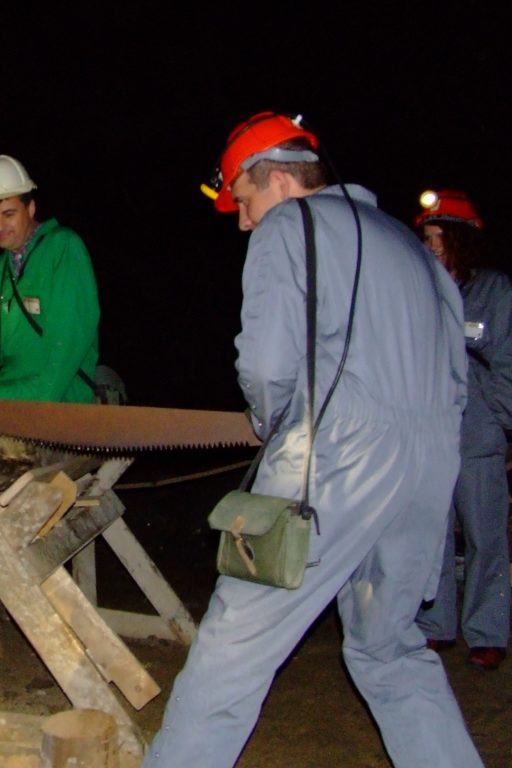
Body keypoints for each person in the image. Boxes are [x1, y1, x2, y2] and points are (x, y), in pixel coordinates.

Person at [143, 113, 483, 767]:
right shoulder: (414, 249)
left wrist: (274, 428)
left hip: (334, 459)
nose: (243, 222)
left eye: (242, 203)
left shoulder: (288, 228)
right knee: (388, 647)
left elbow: (268, 366)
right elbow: (454, 378)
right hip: (430, 464)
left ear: (273, 179)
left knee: (234, 646)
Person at [414, 189, 510, 671]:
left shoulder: (495, 291)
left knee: (485, 536)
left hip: (479, 439)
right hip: (432, 438)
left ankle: (487, 633)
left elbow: (508, 362)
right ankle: (434, 627)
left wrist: (504, 423)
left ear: (459, 239)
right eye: (425, 237)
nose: (430, 245)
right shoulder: (419, 291)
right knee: (433, 536)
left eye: (437, 237)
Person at [0, 154, 100, 403]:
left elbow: (66, 346)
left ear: (30, 208)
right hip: (9, 403)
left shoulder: (63, 247)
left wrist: (30, 406)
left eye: (8, 214)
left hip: (60, 405)